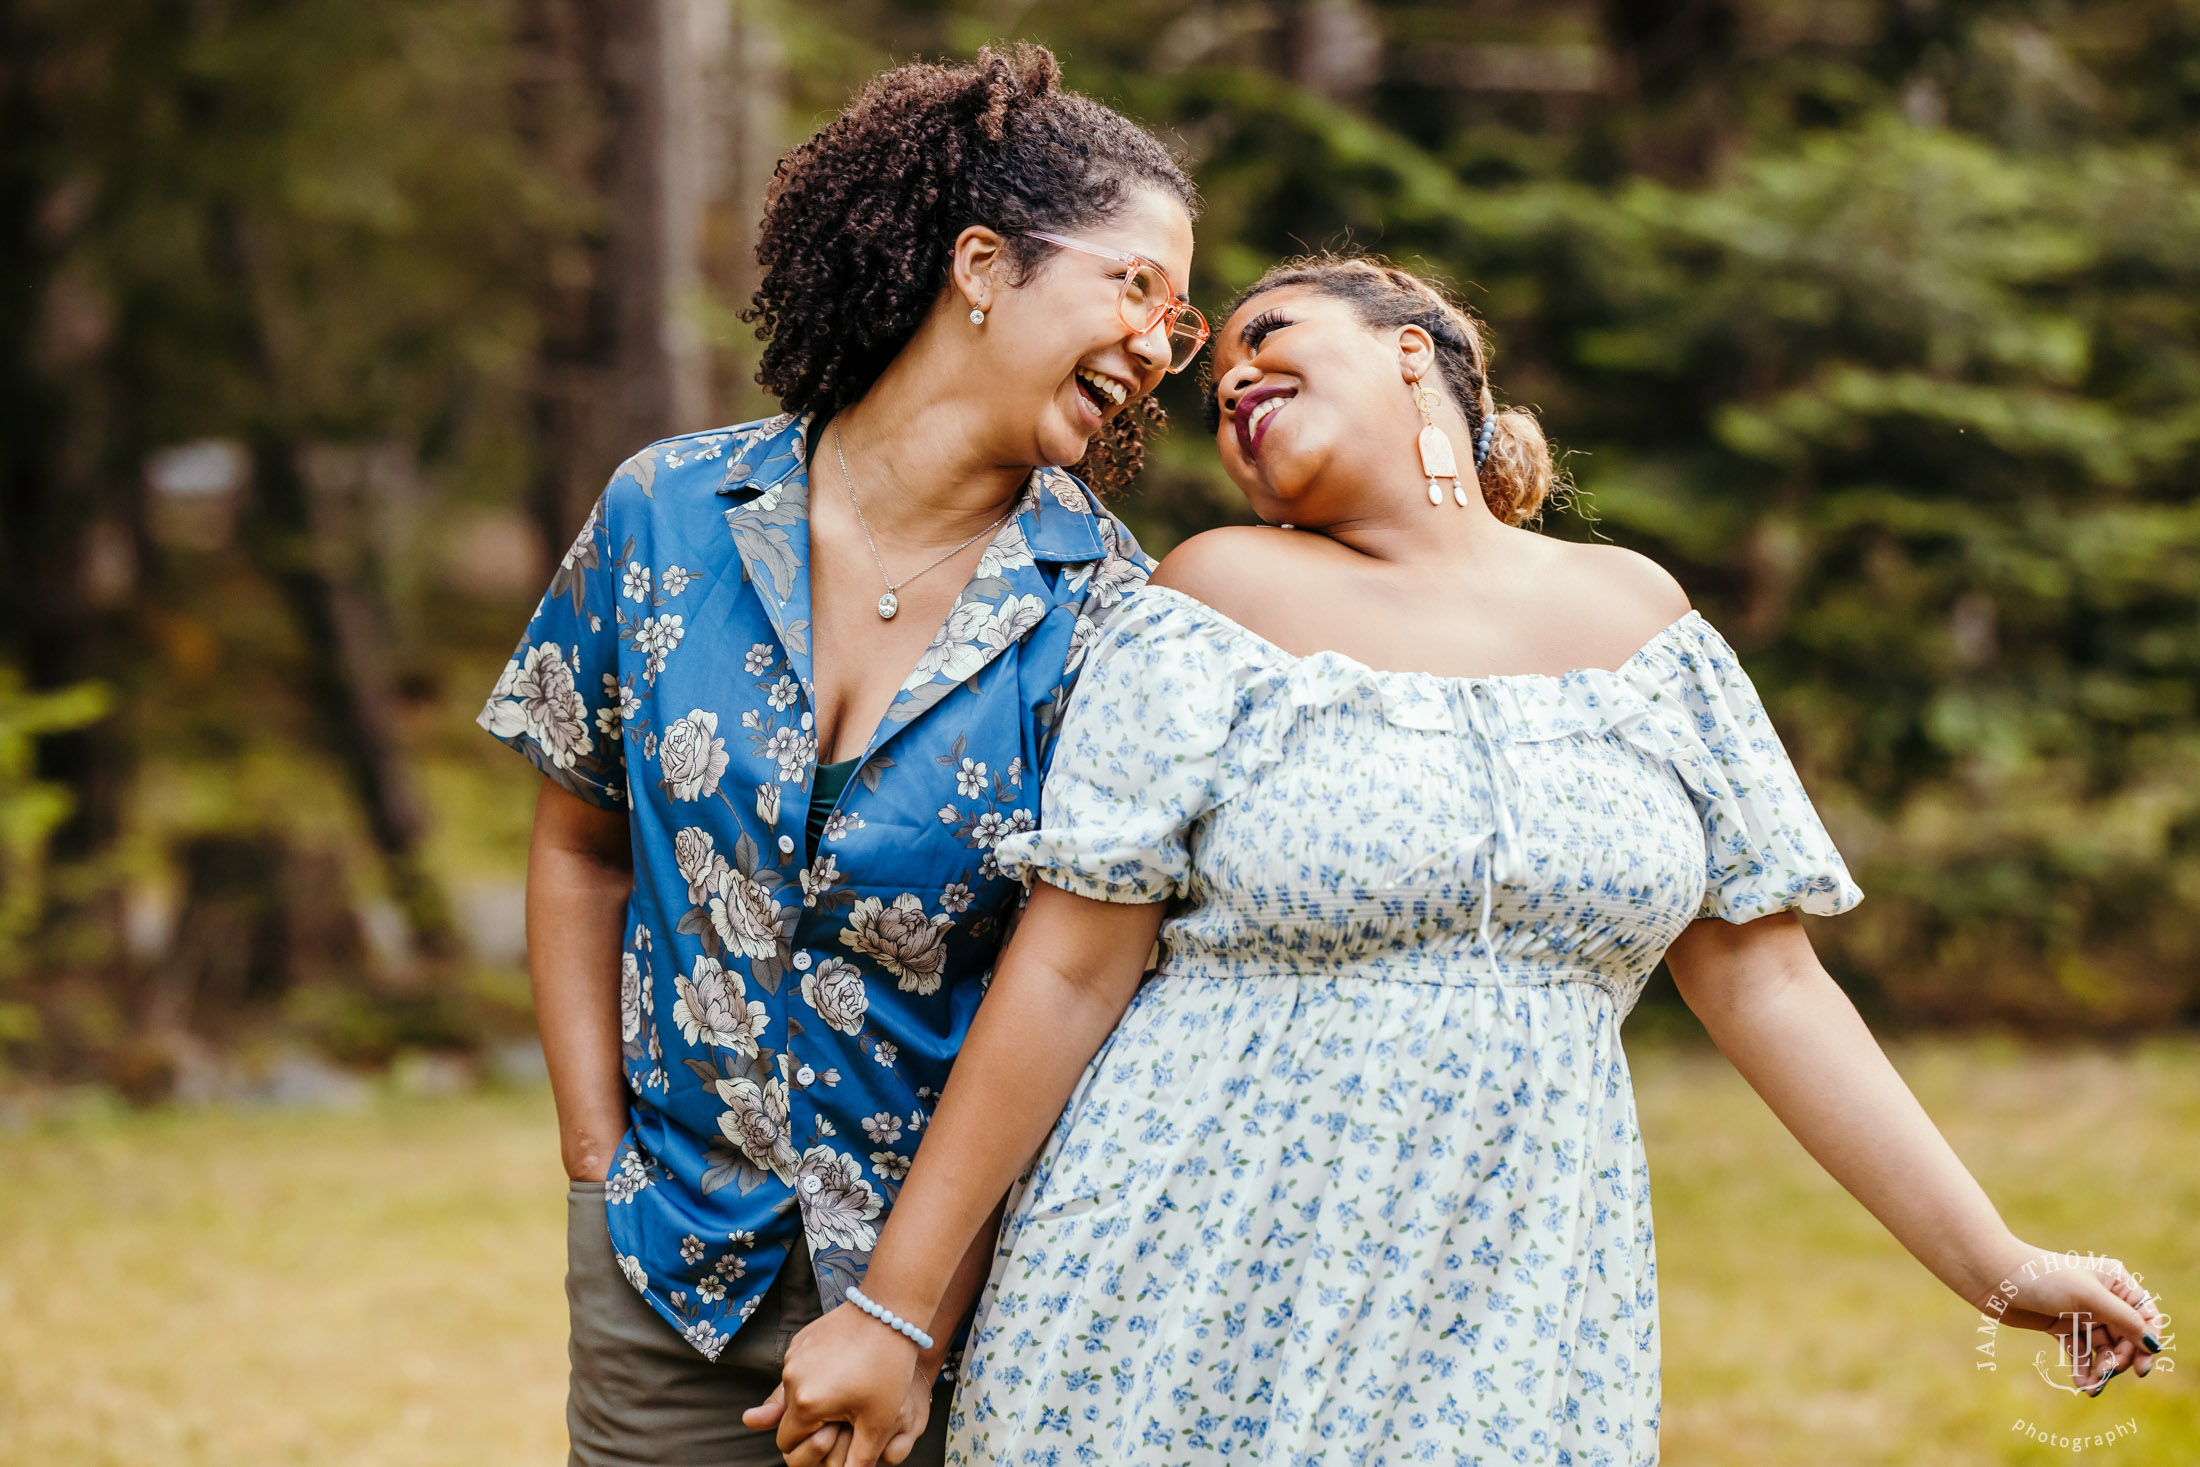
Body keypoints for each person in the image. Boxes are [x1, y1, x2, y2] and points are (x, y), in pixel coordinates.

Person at [762, 255, 2165, 1467]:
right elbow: (1065, 972)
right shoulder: (1215, 595)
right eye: (1215, 391)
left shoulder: (1643, 623)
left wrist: (2001, 1267)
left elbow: (1773, 988)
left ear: (1413, 353)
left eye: (1270, 337)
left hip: (1515, 1303)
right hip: (1186, 1269)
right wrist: (897, 1311)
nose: (1230, 382)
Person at [479, 44, 1208, 1466]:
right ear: (983, 263)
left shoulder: (1119, 619)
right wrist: (593, 1160)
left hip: (956, 1303)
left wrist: (905, 1308)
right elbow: (580, 842)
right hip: (664, 1270)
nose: (1158, 347)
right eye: (1135, 286)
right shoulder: (667, 512)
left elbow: (1073, 981)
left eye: (1178, 324)